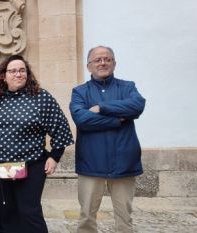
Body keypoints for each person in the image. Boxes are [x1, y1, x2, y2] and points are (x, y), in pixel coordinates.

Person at [0, 55, 74, 233]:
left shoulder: (40, 97)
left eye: (22, 70)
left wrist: (55, 156)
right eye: (13, 71)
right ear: (3, 75)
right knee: (7, 212)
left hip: (31, 164)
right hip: (2, 166)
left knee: (29, 211)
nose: (18, 74)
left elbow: (60, 127)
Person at [70, 46, 146, 233]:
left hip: (123, 162)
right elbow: (82, 119)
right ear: (89, 66)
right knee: (87, 215)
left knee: (124, 217)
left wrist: (101, 107)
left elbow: (137, 106)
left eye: (107, 59)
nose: (102, 62)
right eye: (97, 60)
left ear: (114, 63)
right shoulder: (80, 92)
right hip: (91, 162)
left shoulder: (128, 87)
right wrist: (117, 119)